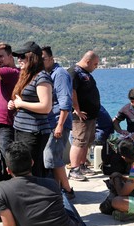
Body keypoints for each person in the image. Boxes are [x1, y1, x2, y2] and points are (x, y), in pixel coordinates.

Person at [0, 141, 116, 226]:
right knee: (64, 199)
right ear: (32, 163)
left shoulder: (3, 190)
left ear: (8, 170)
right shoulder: (51, 183)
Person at [8, 41, 52, 178]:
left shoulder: (42, 77)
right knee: (22, 167)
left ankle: (37, 195)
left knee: (33, 168)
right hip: (21, 129)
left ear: (32, 57)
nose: (19, 60)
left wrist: (21, 104)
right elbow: (25, 100)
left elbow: (46, 107)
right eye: (18, 57)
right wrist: (15, 103)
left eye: (22, 56)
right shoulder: (27, 77)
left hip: (34, 132)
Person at [41, 46, 74, 198]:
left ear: (52, 59)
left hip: (57, 122)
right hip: (49, 122)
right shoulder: (46, 74)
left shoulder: (59, 74)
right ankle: (57, 190)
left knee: (51, 156)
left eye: (43, 59)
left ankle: (67, 190)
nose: (41, 62)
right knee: (53, 157)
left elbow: (65, 101)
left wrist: (60, 124)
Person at [67, 51, 101, 181]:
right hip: (81, 115)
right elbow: (72, 91)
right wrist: (77, 109)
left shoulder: (85, 72)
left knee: (87, 141)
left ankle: (82, 165)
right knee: (79, 141)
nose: (96, 67)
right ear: (87, 61)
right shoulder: (73, 72)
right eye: (95, 64)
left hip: (91, 115)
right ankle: (74, 169)